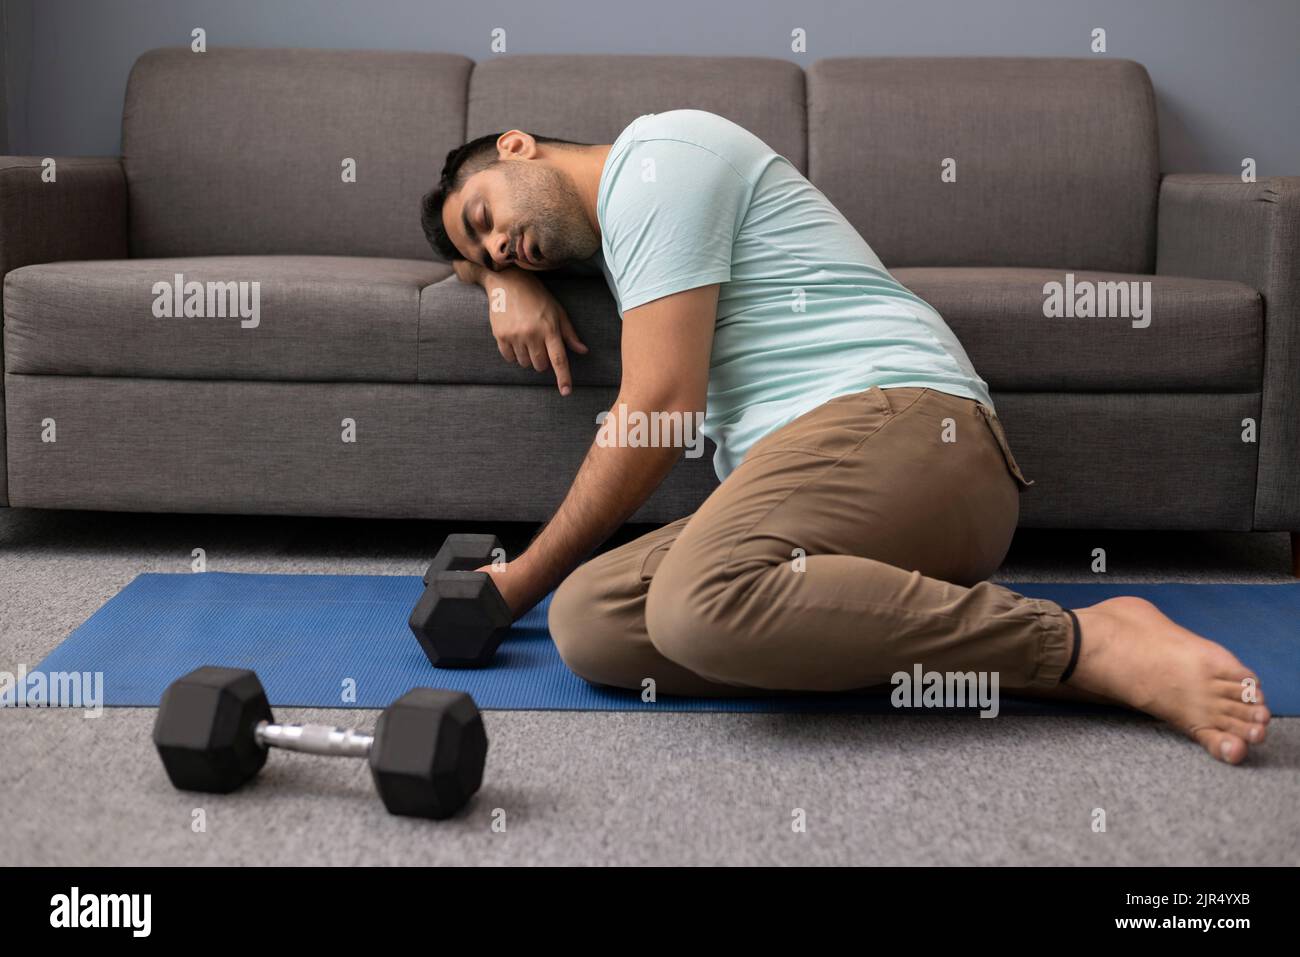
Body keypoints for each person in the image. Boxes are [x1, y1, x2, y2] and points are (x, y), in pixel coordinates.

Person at [421, 109, 1269, 763]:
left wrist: (517, 582)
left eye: (487, 215)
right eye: (490, 251)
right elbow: (484, 251)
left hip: (909, 429)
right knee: (592, 622)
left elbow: (662, 409)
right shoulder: (617, 241)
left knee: (688, 603)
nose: (501, 245)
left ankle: (1085, 642)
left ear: (518, 144)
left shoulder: (658, 165)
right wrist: (500, 284)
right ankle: (870, 614)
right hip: (832, 500)